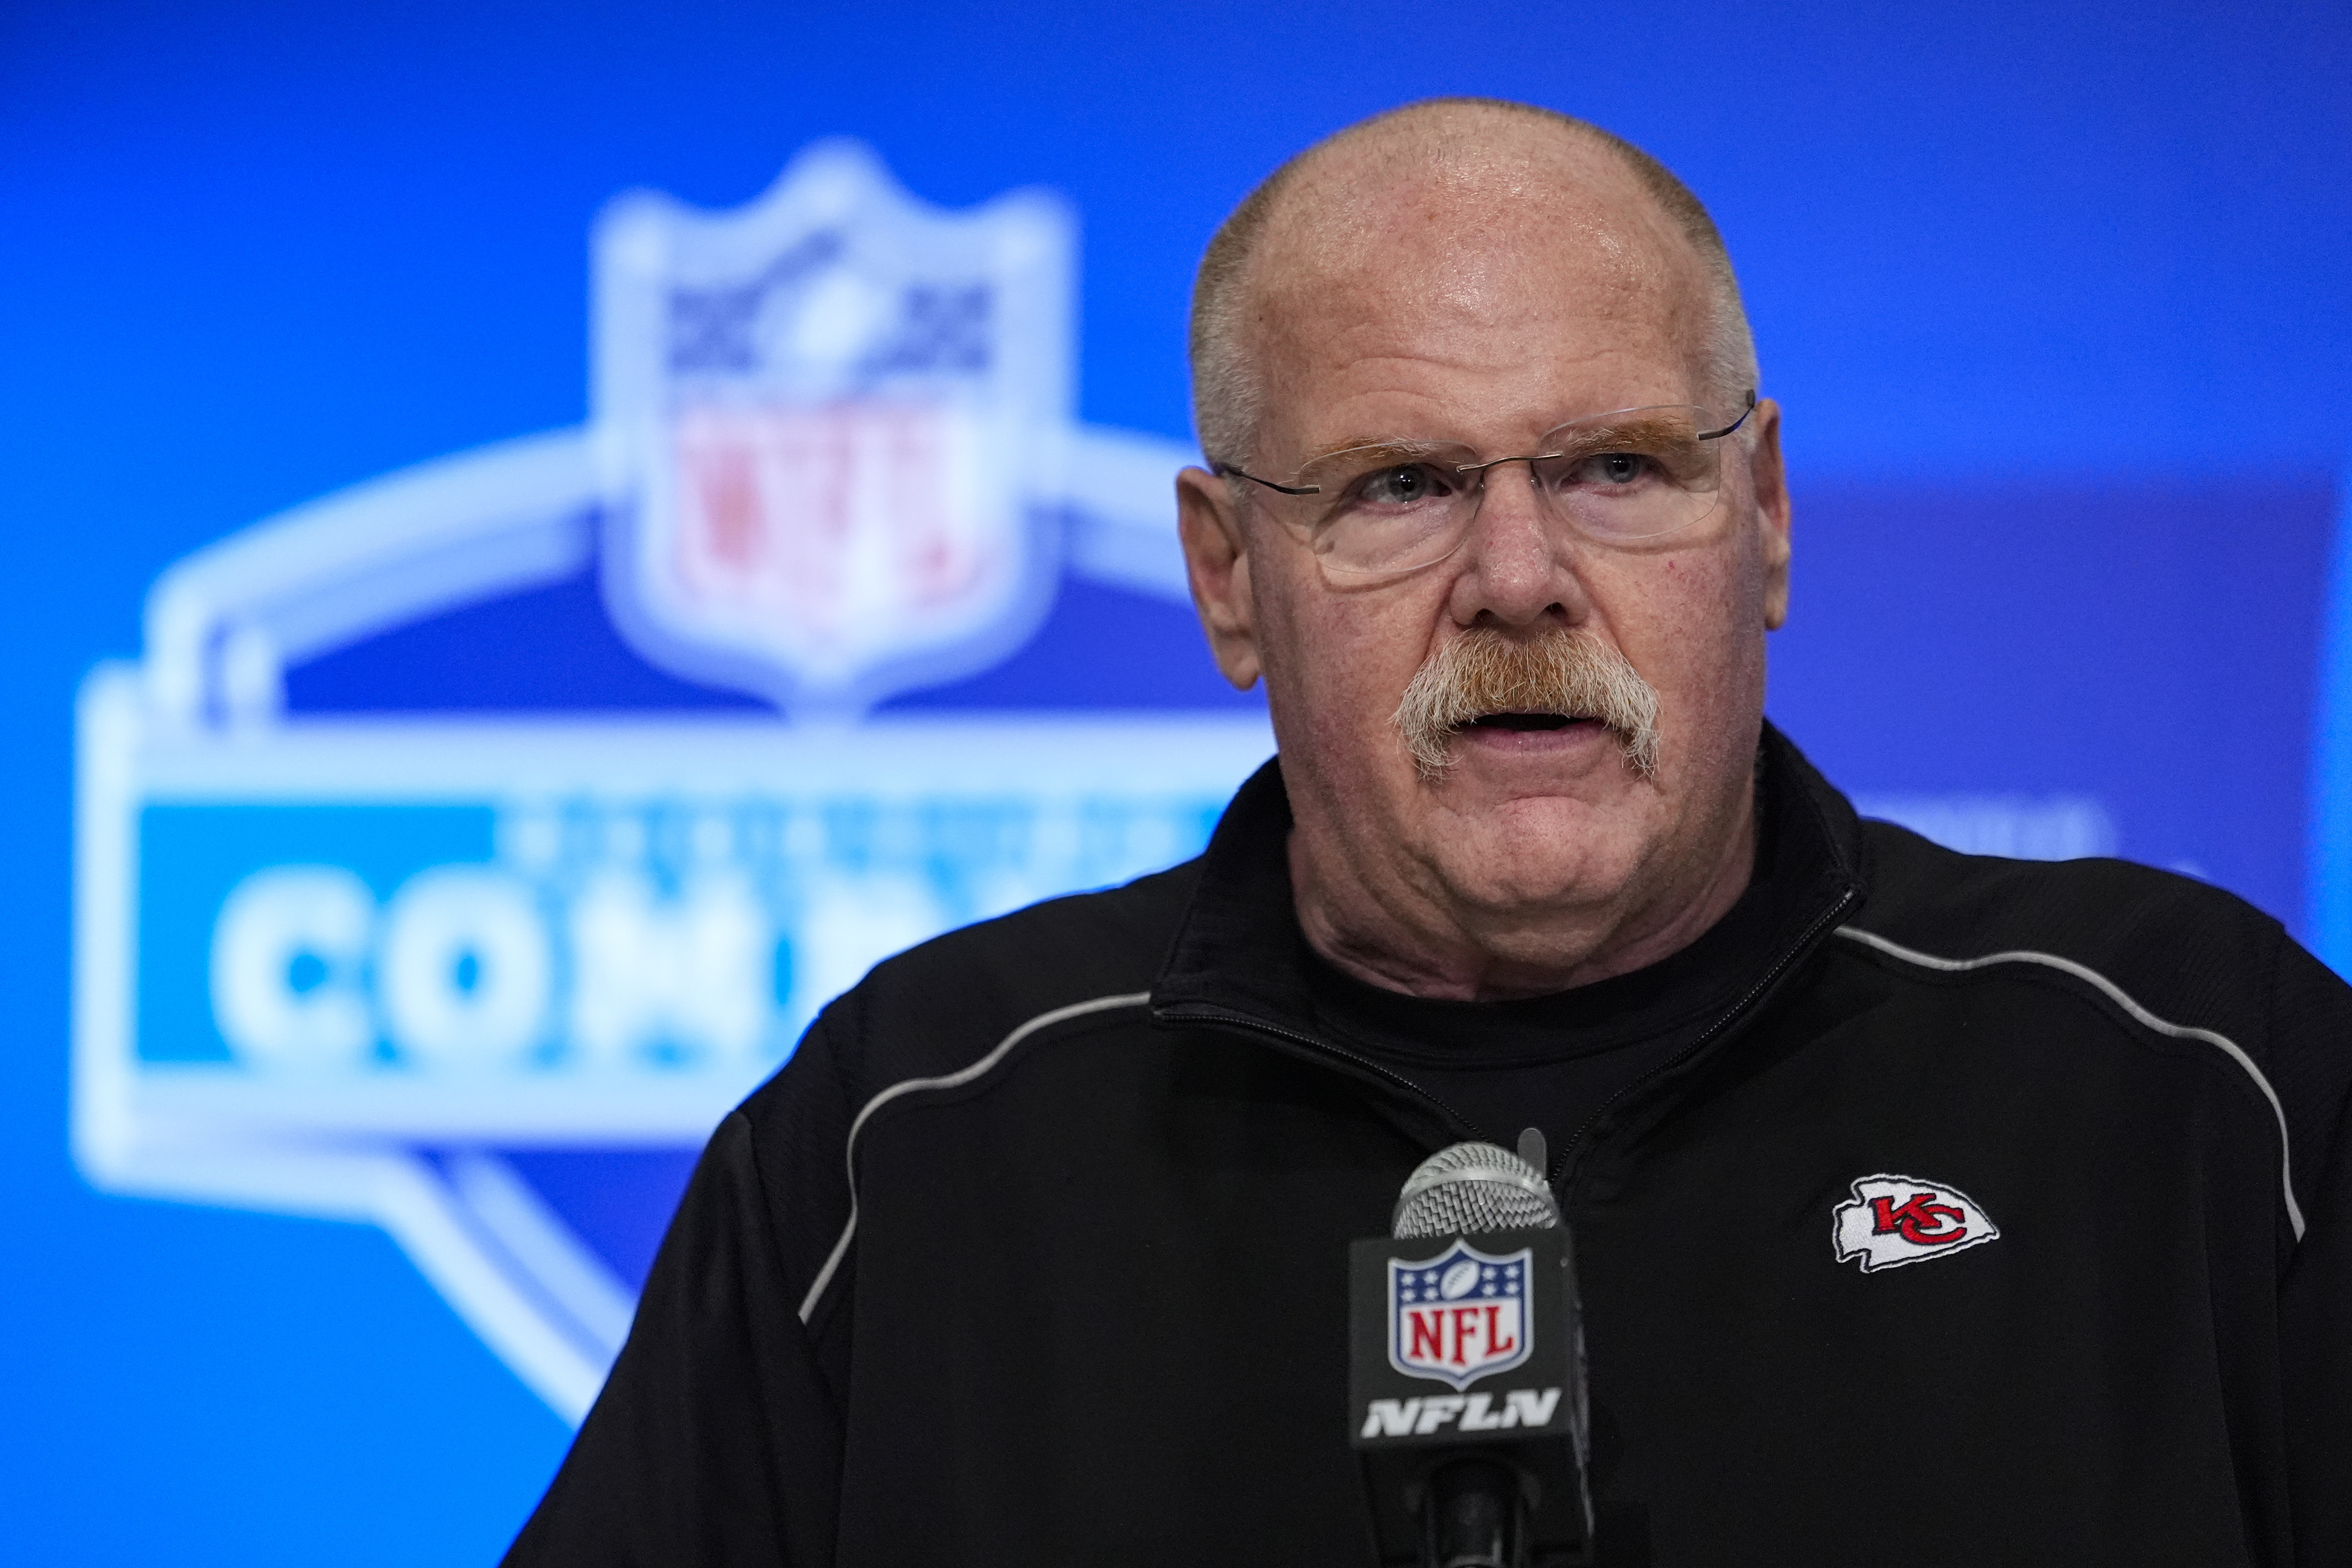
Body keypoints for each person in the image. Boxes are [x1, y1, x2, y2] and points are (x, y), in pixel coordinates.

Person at [505, 98, 2350, 1566]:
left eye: (1615, 465)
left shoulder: (2197, 1078)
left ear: (1765, 516)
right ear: (1226, 580)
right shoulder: (906, 1137)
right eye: (1398, 486)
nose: (1520, 577)